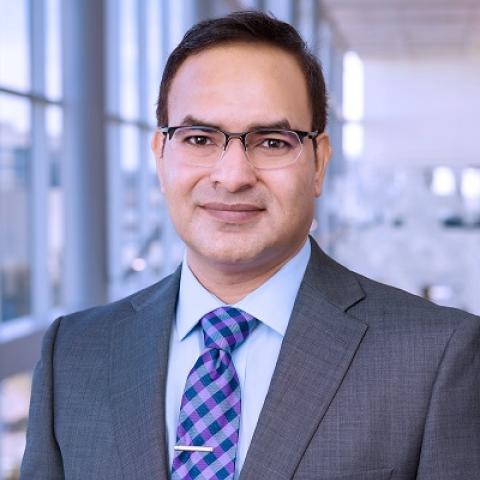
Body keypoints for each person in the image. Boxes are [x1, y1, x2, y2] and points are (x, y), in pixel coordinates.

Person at [20, 10, 479, 480]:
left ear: (319, 163)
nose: (234, 176)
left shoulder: (437, 356)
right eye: (199, 138)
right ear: (161, 157)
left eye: (273, 142)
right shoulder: (73, 354)